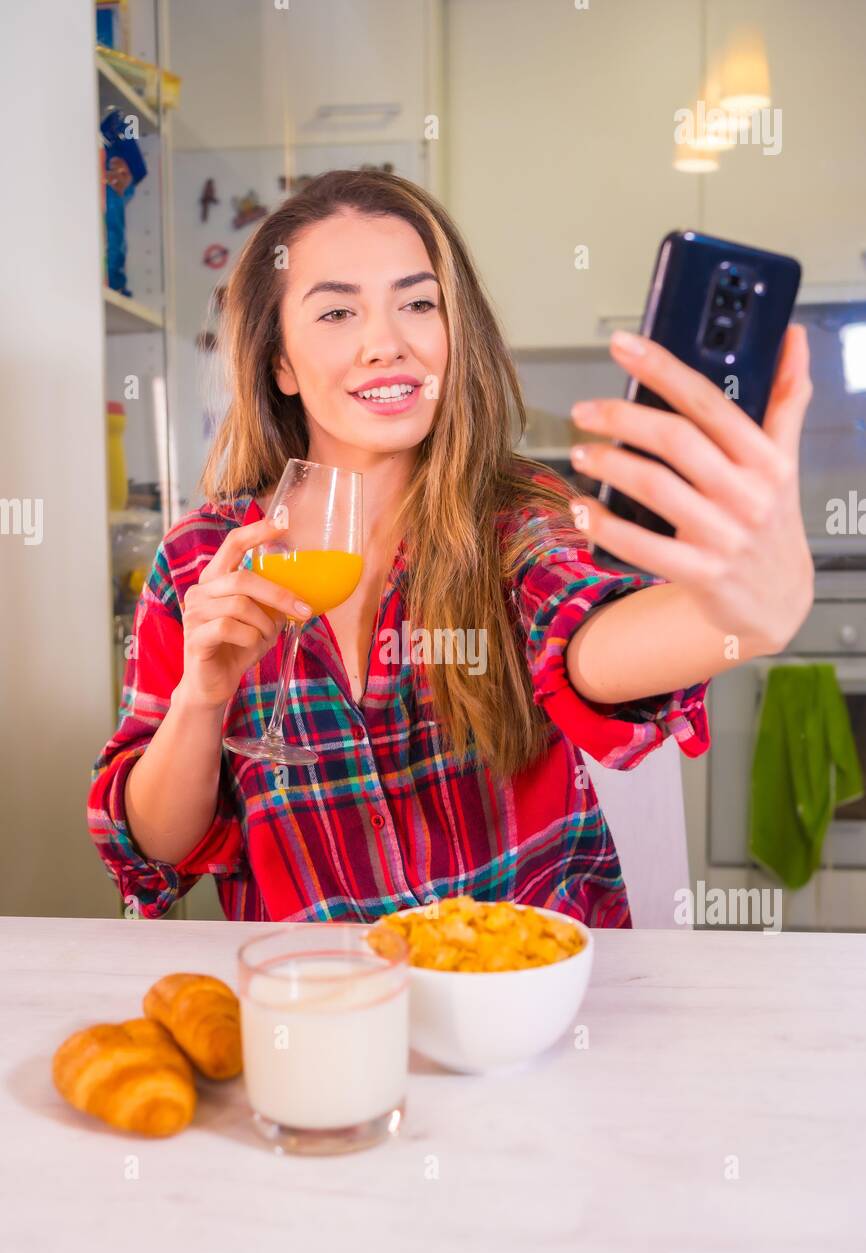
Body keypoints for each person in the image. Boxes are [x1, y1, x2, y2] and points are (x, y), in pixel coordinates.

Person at [87, 169, 814, 926]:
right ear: (280, 364)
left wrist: (740, 617)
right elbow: (156, 855)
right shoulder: (204, 556)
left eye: (418, 304)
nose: (386, 344)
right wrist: (201, 702)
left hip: (531, 1001)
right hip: (330, 1011)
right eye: (337, 311)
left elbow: (586, 643)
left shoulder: (517, 514)